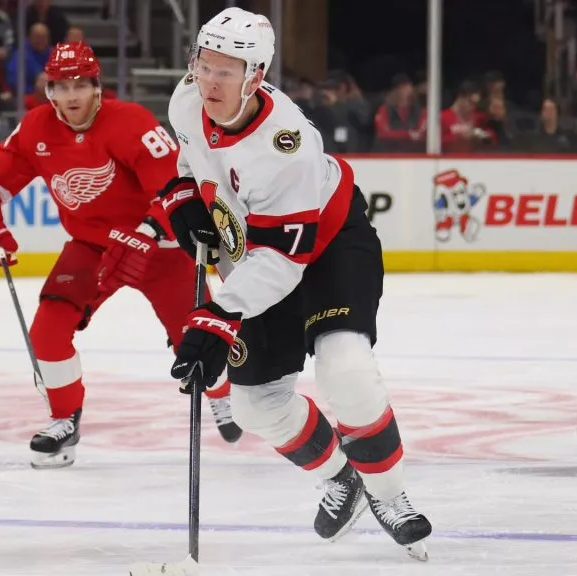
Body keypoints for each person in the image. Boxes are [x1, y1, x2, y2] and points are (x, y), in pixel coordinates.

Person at [160, 7, 432, 559]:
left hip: (328, 247)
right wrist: (184, 193)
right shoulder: (187, 99)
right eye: (203, 63)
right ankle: (341, 478)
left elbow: (283, 264)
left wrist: (219, 314)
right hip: (253, 255)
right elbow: (192, 161)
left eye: (225, 70)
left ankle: (388, 493)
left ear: (256, 76)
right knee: (257, 405)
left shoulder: (286, 146)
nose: (208, 80)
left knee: (345, 366)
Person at [0, 42, 240, 470]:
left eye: (81, 85)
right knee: (49, 330)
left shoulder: (132, 123)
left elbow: (175, 191)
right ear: (49, 90)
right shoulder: (36, 128)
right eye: (61, 86)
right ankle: (63, 419)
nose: (72, 96)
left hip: (159, 247)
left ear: (97, 87)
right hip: (92, 247)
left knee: (195, 341)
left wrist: (146, 233)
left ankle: (221, 395)